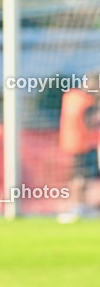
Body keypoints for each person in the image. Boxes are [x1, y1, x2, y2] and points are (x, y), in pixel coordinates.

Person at [57, 71, 99, 223]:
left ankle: (80, 206)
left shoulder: (70, 96)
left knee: (79, 177)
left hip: (71, 141)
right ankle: (78, 206)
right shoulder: (86, 101)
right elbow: (89, 122)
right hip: (83, 143)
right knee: (81, 177)